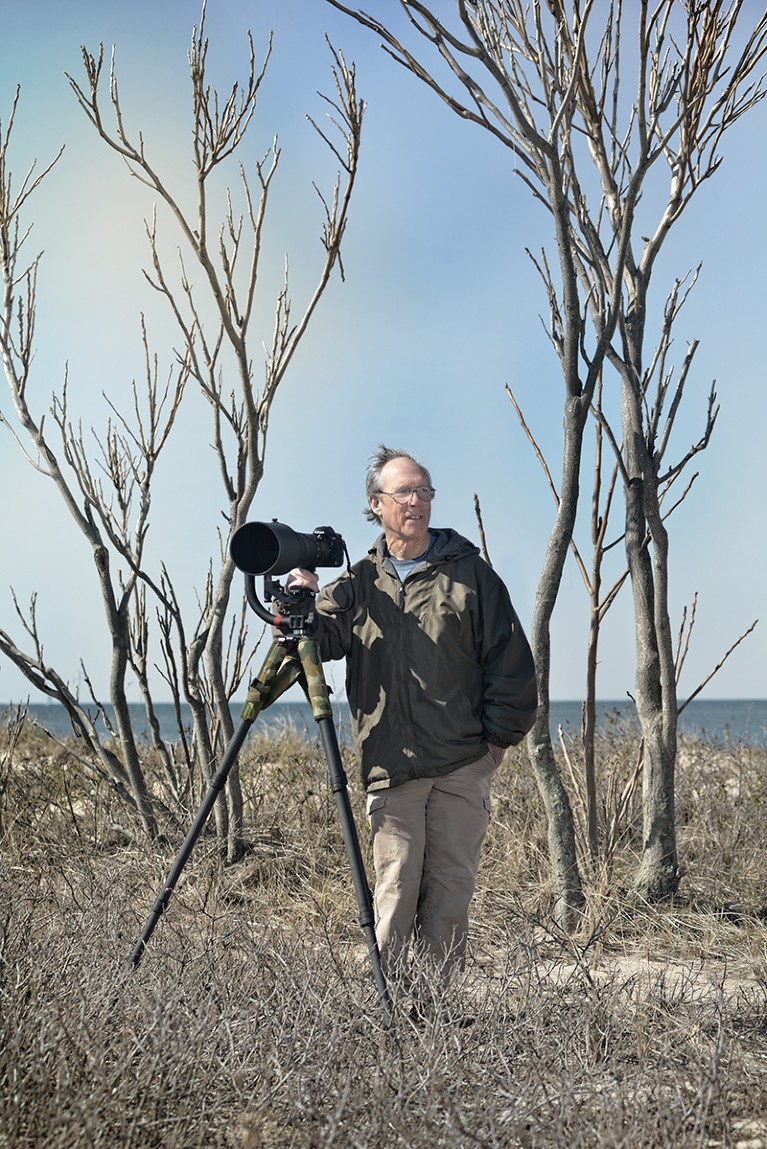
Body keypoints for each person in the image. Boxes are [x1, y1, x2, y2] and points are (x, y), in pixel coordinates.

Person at [287, 445, 537, 989]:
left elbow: (511, 662)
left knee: (449, 893)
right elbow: (320, 643)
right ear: (376, 504)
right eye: (403, 492)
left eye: (424, 491)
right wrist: (302, 604)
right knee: (395, 891)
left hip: (461, 764)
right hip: (391, 766)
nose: (416, 501)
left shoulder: (471, 576)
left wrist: (497, 743)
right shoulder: (358, 583)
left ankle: (437, 1012)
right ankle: (386, 1007)